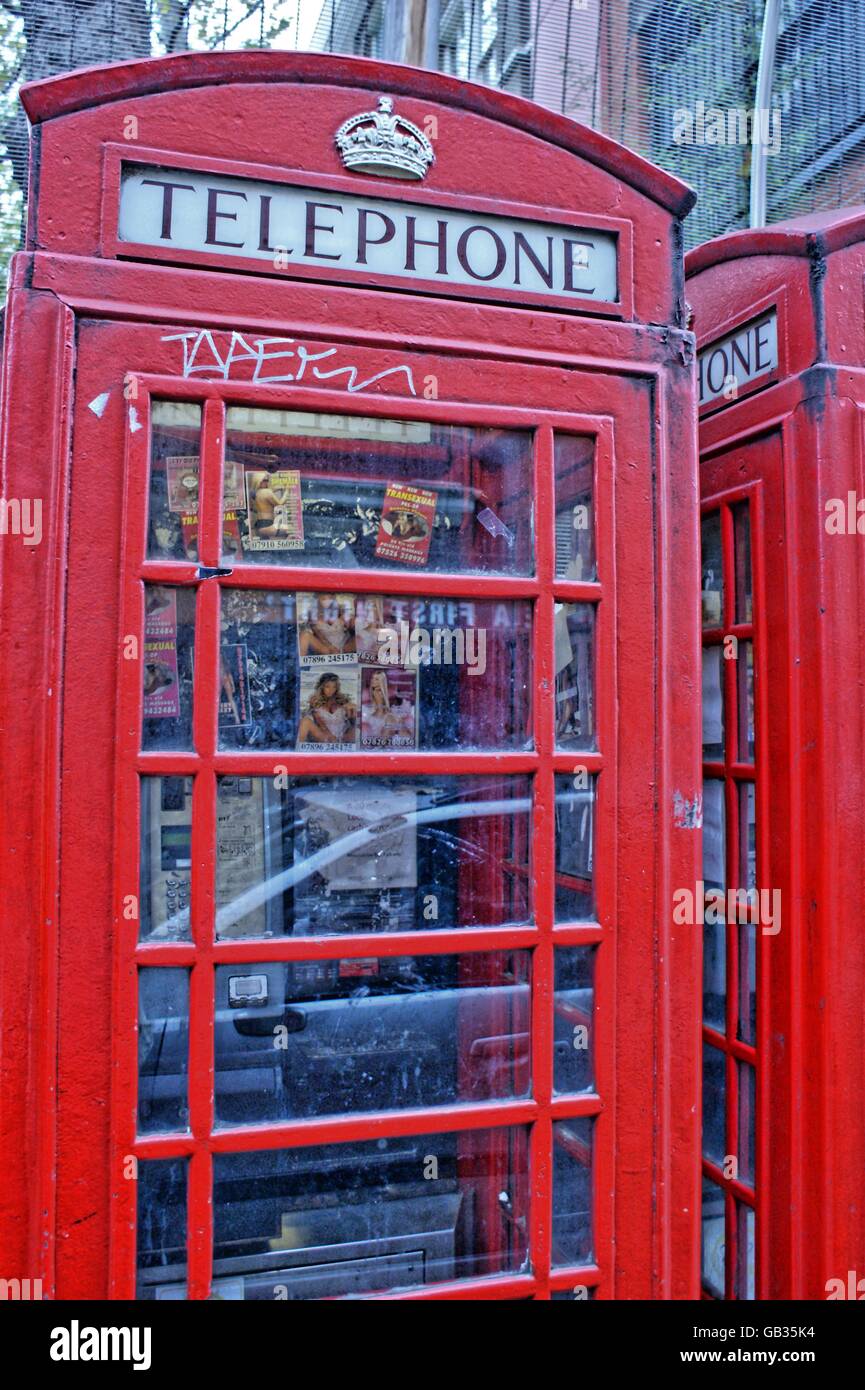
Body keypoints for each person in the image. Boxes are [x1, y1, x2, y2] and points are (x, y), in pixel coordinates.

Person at [297, 672, 357, 745]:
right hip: (325, 736)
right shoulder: (315, 701)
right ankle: (297, 751)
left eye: (334, 687)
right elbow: (319, 722)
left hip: (343, 736)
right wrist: (330, 736)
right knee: (305, 721)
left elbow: (352, 721)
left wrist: (352, 710)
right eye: (327, 686)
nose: (331, 690)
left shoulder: (343, 700)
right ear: (322, 687)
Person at [298, 593, 356, 658]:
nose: (327, 601)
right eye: (323, 599)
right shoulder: (314, 618)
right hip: (327, 649)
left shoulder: (342, 615)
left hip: (345, 648)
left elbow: (352, 628)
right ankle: (298, 665)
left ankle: (365, 660)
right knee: (305, 635)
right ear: (318, 601)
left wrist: (353, 621)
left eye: (330, 598)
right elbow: (320, 636)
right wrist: (330, 647)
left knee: (359, 636)